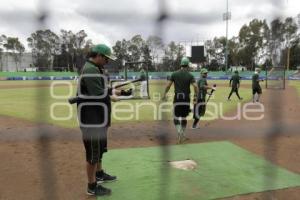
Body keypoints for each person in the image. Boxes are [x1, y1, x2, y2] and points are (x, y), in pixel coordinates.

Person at [77, 44, 131, 196]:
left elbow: (103, 89)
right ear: (99, 55)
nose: (107, 61)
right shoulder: (90, 70)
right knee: (93, 154)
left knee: (98, 150)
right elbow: (99, 94)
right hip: (91, 120)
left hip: (98, 118)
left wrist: (121, 92)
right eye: (106, 58)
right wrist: (113, 97)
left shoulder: (95, 68)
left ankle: (99, 174)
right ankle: (92, 186)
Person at [162, 57, 198, 144]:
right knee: (184, 117)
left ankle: (179, 131)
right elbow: (195, 86)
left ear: (181, 64)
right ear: (187, 65)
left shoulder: (174, 74)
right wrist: (195, 97)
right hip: (186, 98)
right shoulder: (190, 75)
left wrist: (164, 94)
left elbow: (168, 86)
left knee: (175, 116)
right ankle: (183, 133)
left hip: (177, 98)